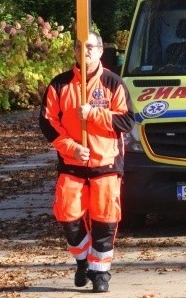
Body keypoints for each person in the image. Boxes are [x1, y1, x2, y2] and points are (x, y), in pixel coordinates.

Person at [39, 31, 134, 293]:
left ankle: (100, 272)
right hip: (72, 163)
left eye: (90, 47)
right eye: (80, 47)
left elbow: (126, 121)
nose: (86, 51)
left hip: (105, 164)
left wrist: (94, 114)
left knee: (105, 218)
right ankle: (82, 260)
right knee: (68, 216)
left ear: (101, 51)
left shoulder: (114, 83)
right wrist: (70, 147)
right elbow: (47, 122)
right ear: (74, 51)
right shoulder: (59, 84)